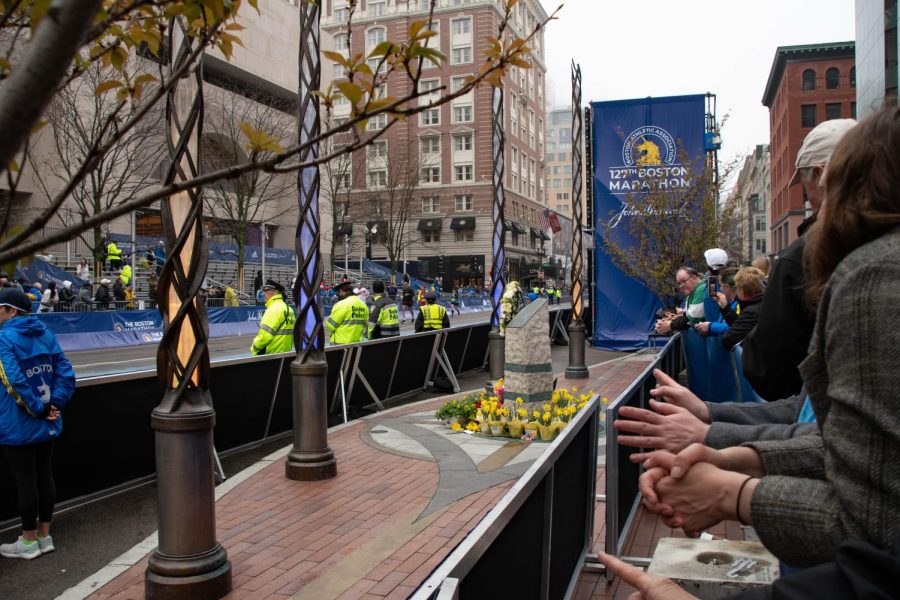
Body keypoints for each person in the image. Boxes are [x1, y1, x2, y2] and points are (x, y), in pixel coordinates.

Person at [638, 106, 900, 567]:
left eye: (812, 187)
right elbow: (830, 432)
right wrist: (716, 431)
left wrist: (732, 492)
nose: (812, 206)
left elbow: (871, 519)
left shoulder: (873, 276)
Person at [742, 118, 856, 401]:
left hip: (823, 417)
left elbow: (767, 370)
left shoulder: (805, 257)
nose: (808, 199)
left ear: (821, 175)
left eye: (806, 186)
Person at [0, 288, 76, 560]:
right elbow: (66, 372)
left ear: (12, 311)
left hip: (20, 421)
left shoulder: (3, 338)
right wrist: (55, 403)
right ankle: (45, 536)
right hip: (49, 420)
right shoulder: (46, 333)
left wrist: (40, 409)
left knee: (26, 481)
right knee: (44, 475)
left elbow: (13, 381)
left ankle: (28, 542)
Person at [720, 266, 765, 351]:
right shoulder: (768, 302)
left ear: (742, 290)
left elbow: (728, 339)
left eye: (737, 287)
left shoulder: (751, 311)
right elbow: (740, 325)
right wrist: (726, 308)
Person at [249, 280, 295, 355]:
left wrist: (254, 349)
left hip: (271, 356)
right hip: (285, 353)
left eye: (266, 290)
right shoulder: (289, 309)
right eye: (263, 291)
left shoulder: (273, 309)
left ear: (275, 292)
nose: (263, 293)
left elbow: (265, 336)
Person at [655, 267, 706, 334]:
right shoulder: (693, 292)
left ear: (694, 278)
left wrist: (670, 325)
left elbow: (693, 319)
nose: (681, 286)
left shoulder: (701, 289)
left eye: (684, 281)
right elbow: (689, 316)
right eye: (679, 283)